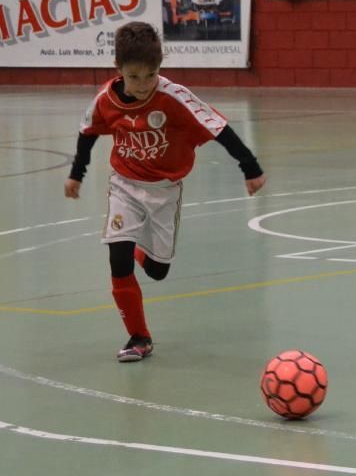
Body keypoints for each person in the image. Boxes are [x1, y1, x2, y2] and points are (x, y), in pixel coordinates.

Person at [64, 22, 267, 362]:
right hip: (124, 185)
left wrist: (250, 166)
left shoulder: (173, 97)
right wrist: (76, 174)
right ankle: (139, 337)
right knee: (118, 258)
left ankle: (142, 252)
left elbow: (218, 128)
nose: (143, 85)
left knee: (158, 270)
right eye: (134, 77)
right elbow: (88, 133)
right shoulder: (105, 100)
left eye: (151, 75)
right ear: (119, 70)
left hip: (164, 190)